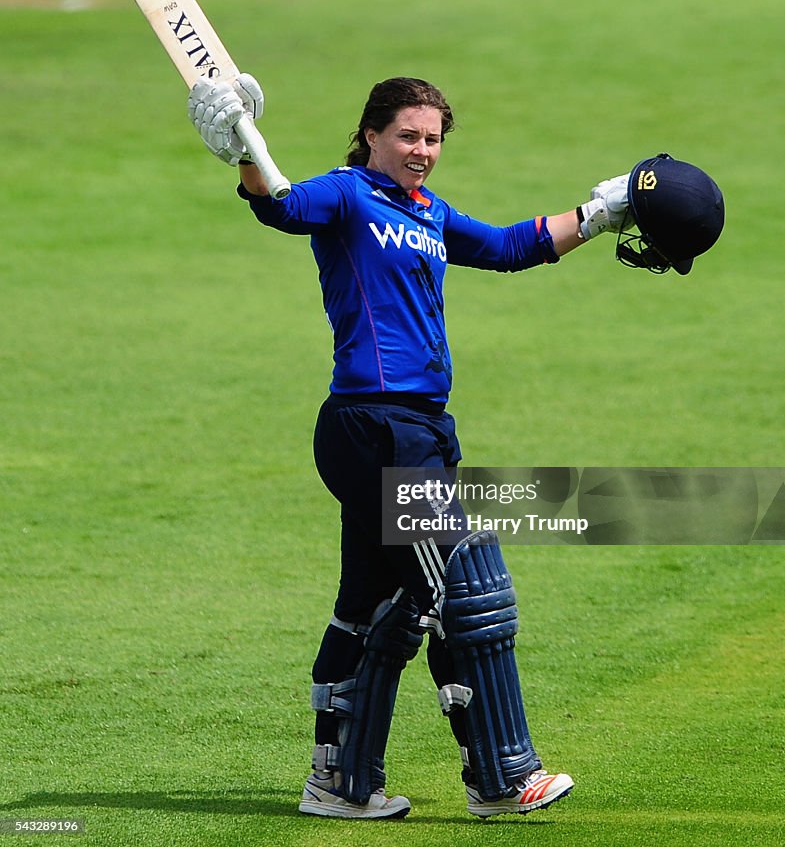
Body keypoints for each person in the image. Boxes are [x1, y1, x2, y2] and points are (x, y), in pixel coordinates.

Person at [187, 74, 633, 821]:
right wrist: (240, 149)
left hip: (420, 430)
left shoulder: (427, 212)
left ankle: (339, 784)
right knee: (465, 585)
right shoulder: (346, 194)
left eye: (431, 139)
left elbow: (506, 247)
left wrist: (599, 213)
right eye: (407, 136)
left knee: (378, 601)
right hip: (373, 426)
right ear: (372, 135)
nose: (421, 151)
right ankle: (499, 776)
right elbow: (281, 205)